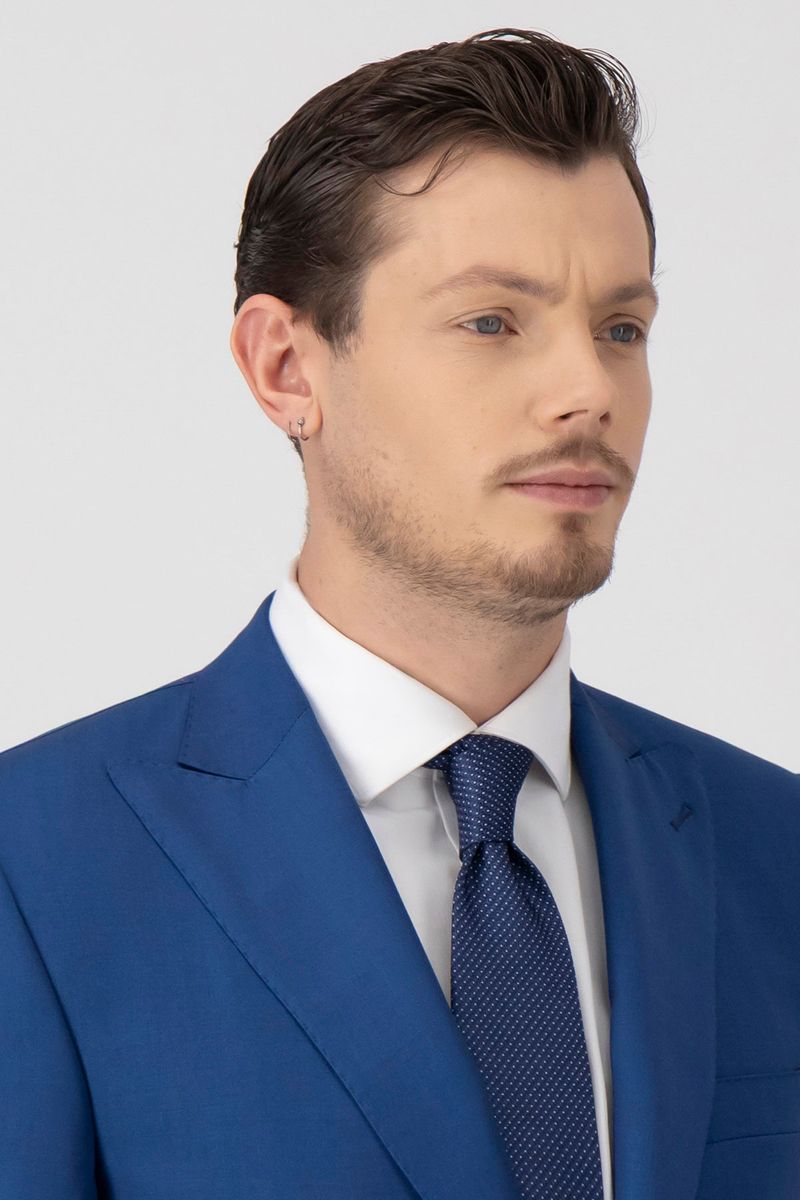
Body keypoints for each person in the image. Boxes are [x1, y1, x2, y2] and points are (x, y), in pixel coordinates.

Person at [1, 26, 798, 1200]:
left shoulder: (774, 849)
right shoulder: (35, 866)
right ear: (286, 368)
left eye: (620, 329)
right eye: (491, 322)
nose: (588, 390)